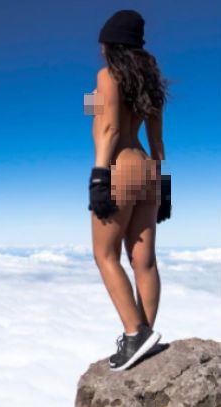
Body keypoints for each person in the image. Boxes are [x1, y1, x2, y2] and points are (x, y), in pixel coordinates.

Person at [87, 9, 172, 372]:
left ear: (111, 44)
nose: (100, 50)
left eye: (103, 44)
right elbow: (157, 141)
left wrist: (99, 175)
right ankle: (146, 334)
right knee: (144, 260)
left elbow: (107, 130)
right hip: (147, 168)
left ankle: (135, 334)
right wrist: (163, 187)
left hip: (119, 165)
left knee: (104, 255)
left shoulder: (107, 75)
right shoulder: (150, 83)